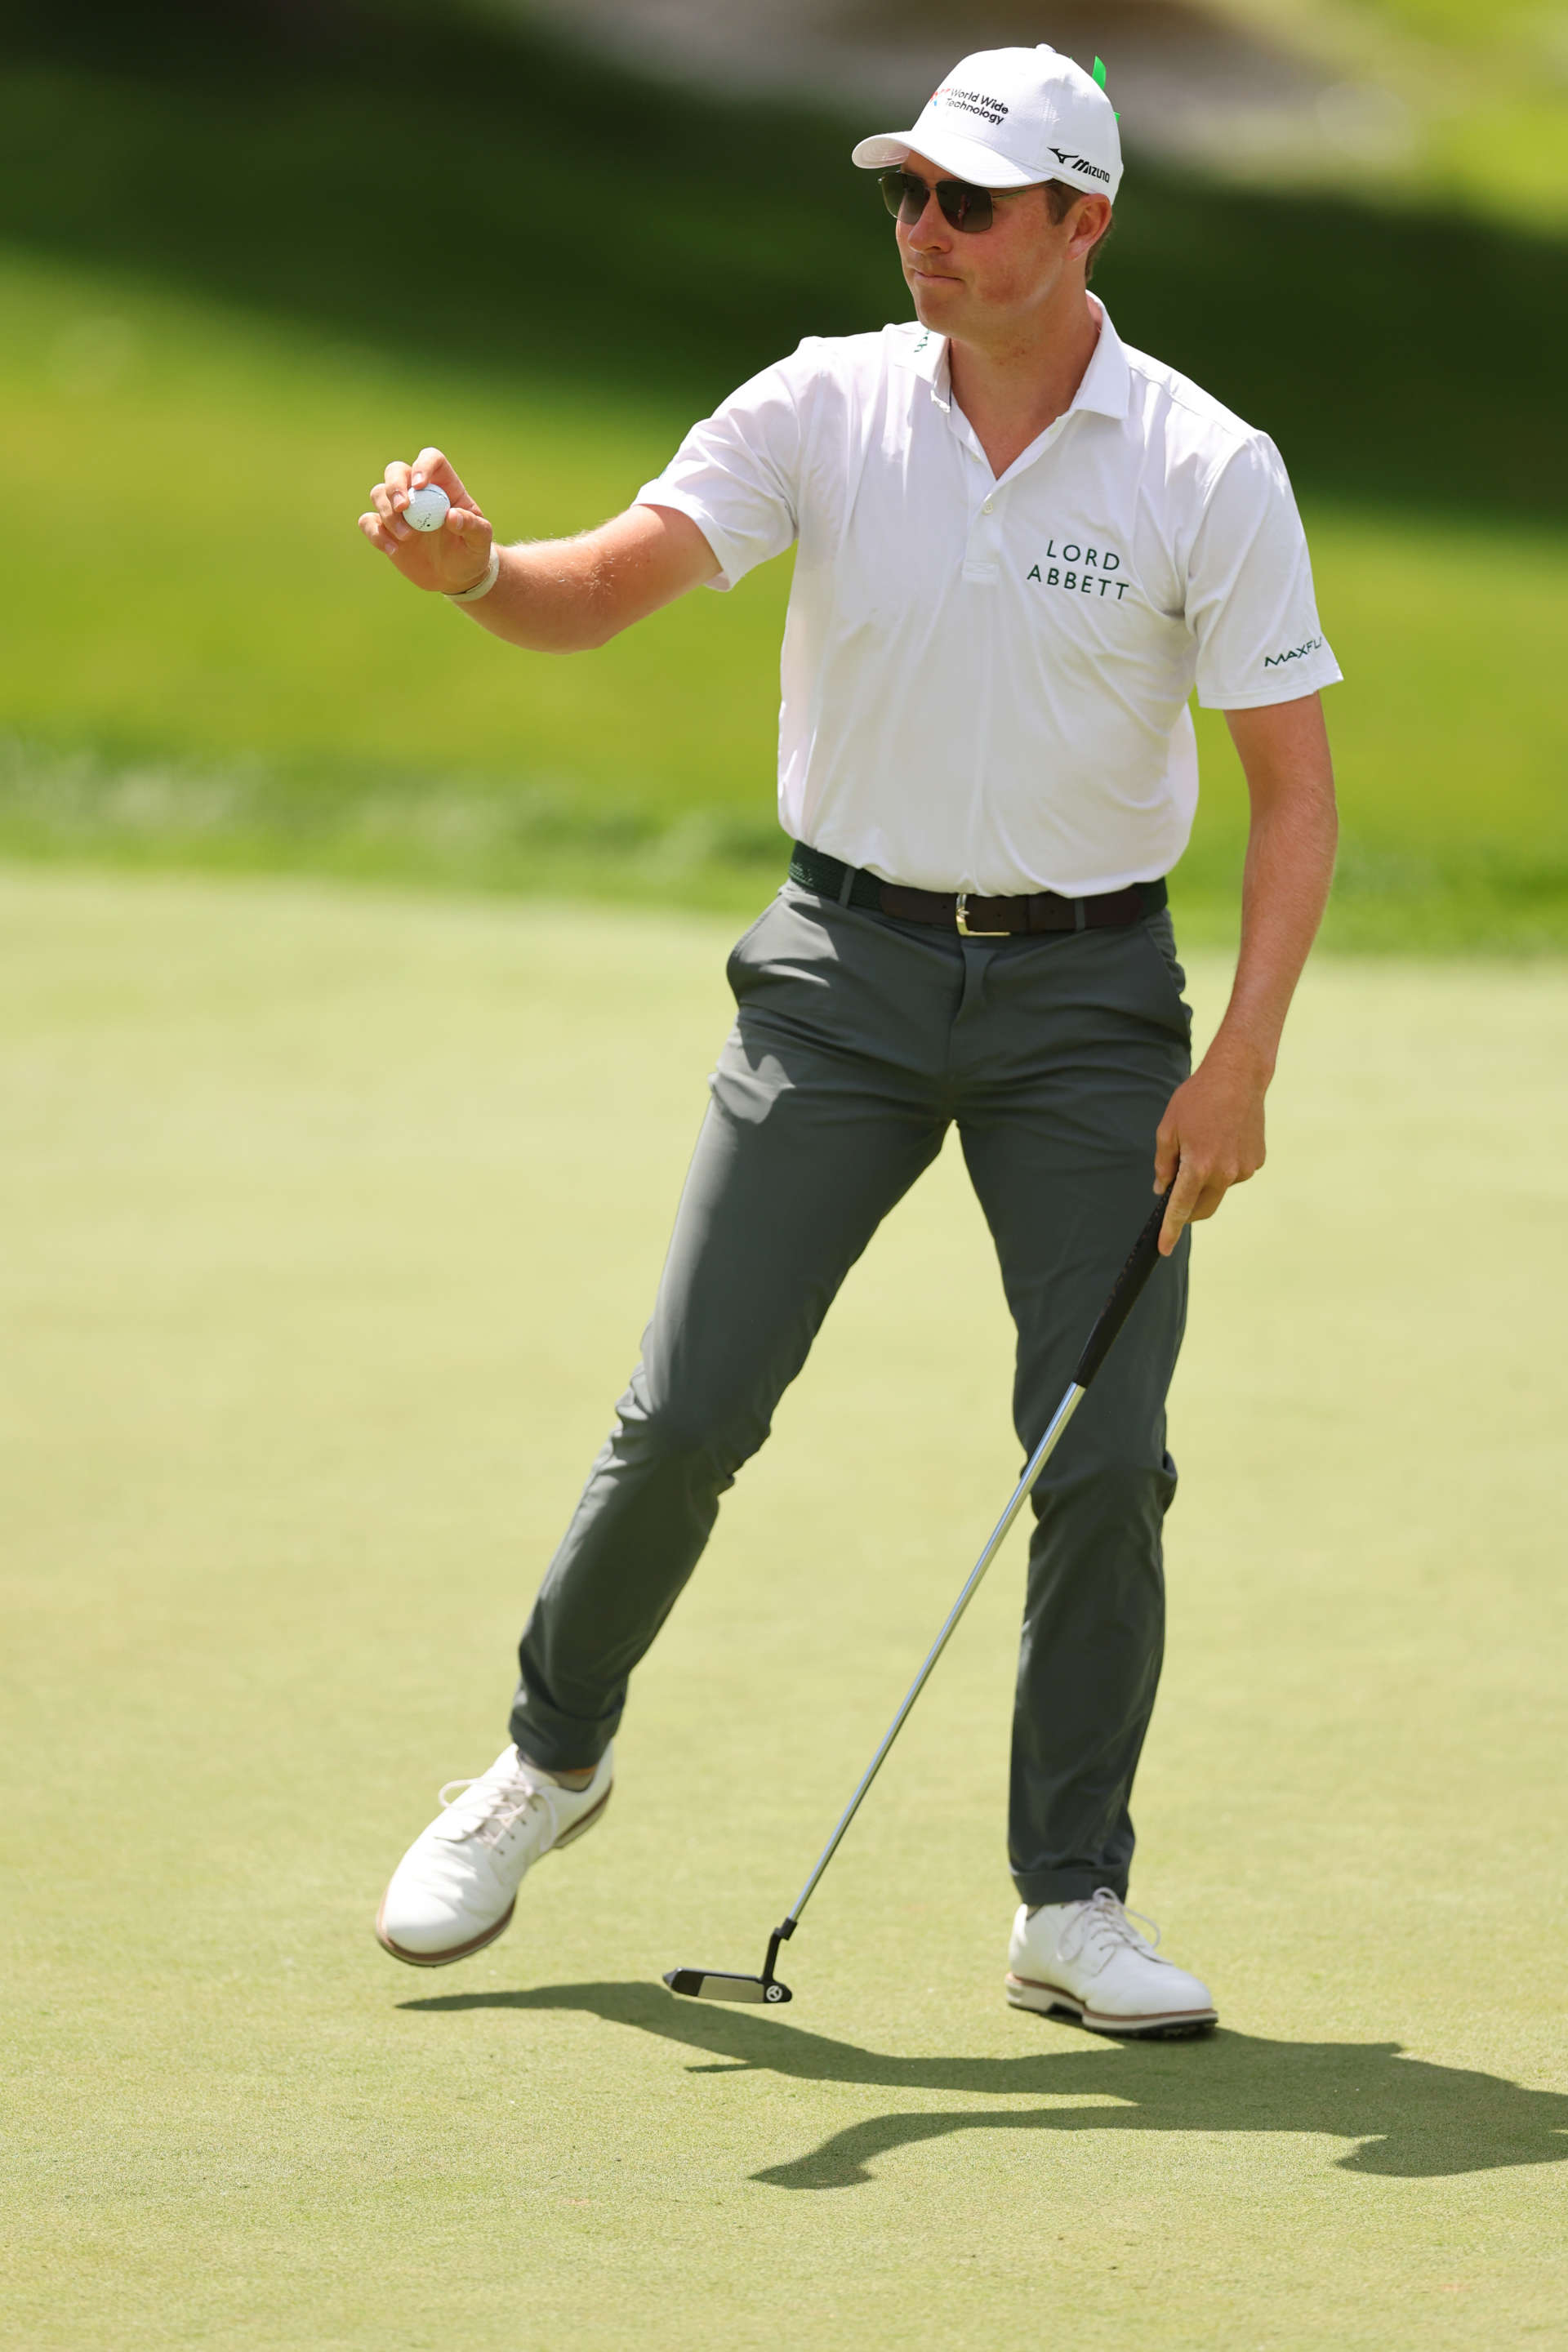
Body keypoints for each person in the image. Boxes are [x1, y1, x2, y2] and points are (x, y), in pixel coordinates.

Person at [358, 45, 1339, 2037]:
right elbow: (601, 588)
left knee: (1103, 1456)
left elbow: (1293, 794)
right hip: (841, 972)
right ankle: (548, 1761)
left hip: (1089, 1007)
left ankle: (1072, 1900)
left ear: (1084, 224)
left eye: (969, 203)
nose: (922, 231)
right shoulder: (822, 403)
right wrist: (477, 573)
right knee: (693, 1404)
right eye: (906, 194)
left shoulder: (1202, 462)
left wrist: (1236, 1063)